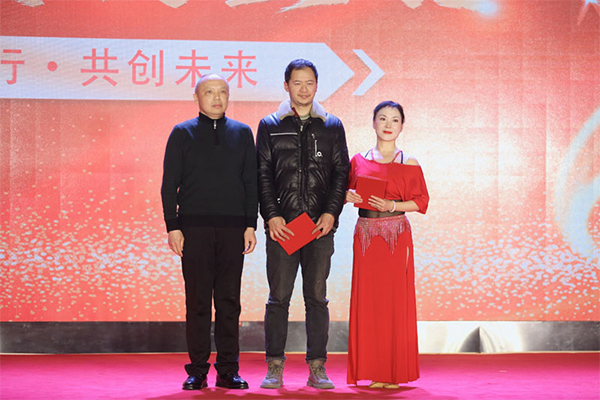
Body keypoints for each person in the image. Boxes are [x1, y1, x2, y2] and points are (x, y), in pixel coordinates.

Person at [256, 59, 350, 389]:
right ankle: (274, 366)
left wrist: (331, 213)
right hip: (284, 227)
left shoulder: (332, 125)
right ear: (286, 86)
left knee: (317, 298)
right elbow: (262, 174)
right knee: (278, 298)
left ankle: (317, 367)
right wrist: (272, 215)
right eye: (297, 83)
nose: (304, 89)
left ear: (317, 85)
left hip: (318, 227)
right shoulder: (270, 125)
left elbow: (341, 174)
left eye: (309, 82)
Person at [160, 74, 257, 391]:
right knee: (198, 302)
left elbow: (250, 182)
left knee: (229, 302)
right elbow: (169, 184)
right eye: (209, 92)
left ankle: (228, 370)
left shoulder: (242, 133)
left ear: (229, 96)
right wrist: (173, 226)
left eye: (222, 92)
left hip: (233, 229)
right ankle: (198, 371)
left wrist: (250, 224)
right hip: (194, 229)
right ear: (196, 97)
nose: (217, 98)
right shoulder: (182, 133)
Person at [345, 101, 429, 388]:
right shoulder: (358, 160)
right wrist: (347, 196)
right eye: (382, 118)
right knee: (369, 302)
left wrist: (392, 204)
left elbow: (421, 201)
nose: (388, 125)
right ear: (373, 123)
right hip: (366, 237)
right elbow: (343, 190)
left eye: (395, 120)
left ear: (402, 126)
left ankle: (392, 373)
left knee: (394, 302)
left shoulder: (409, 162)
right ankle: (374, 370)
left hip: (395, 236)